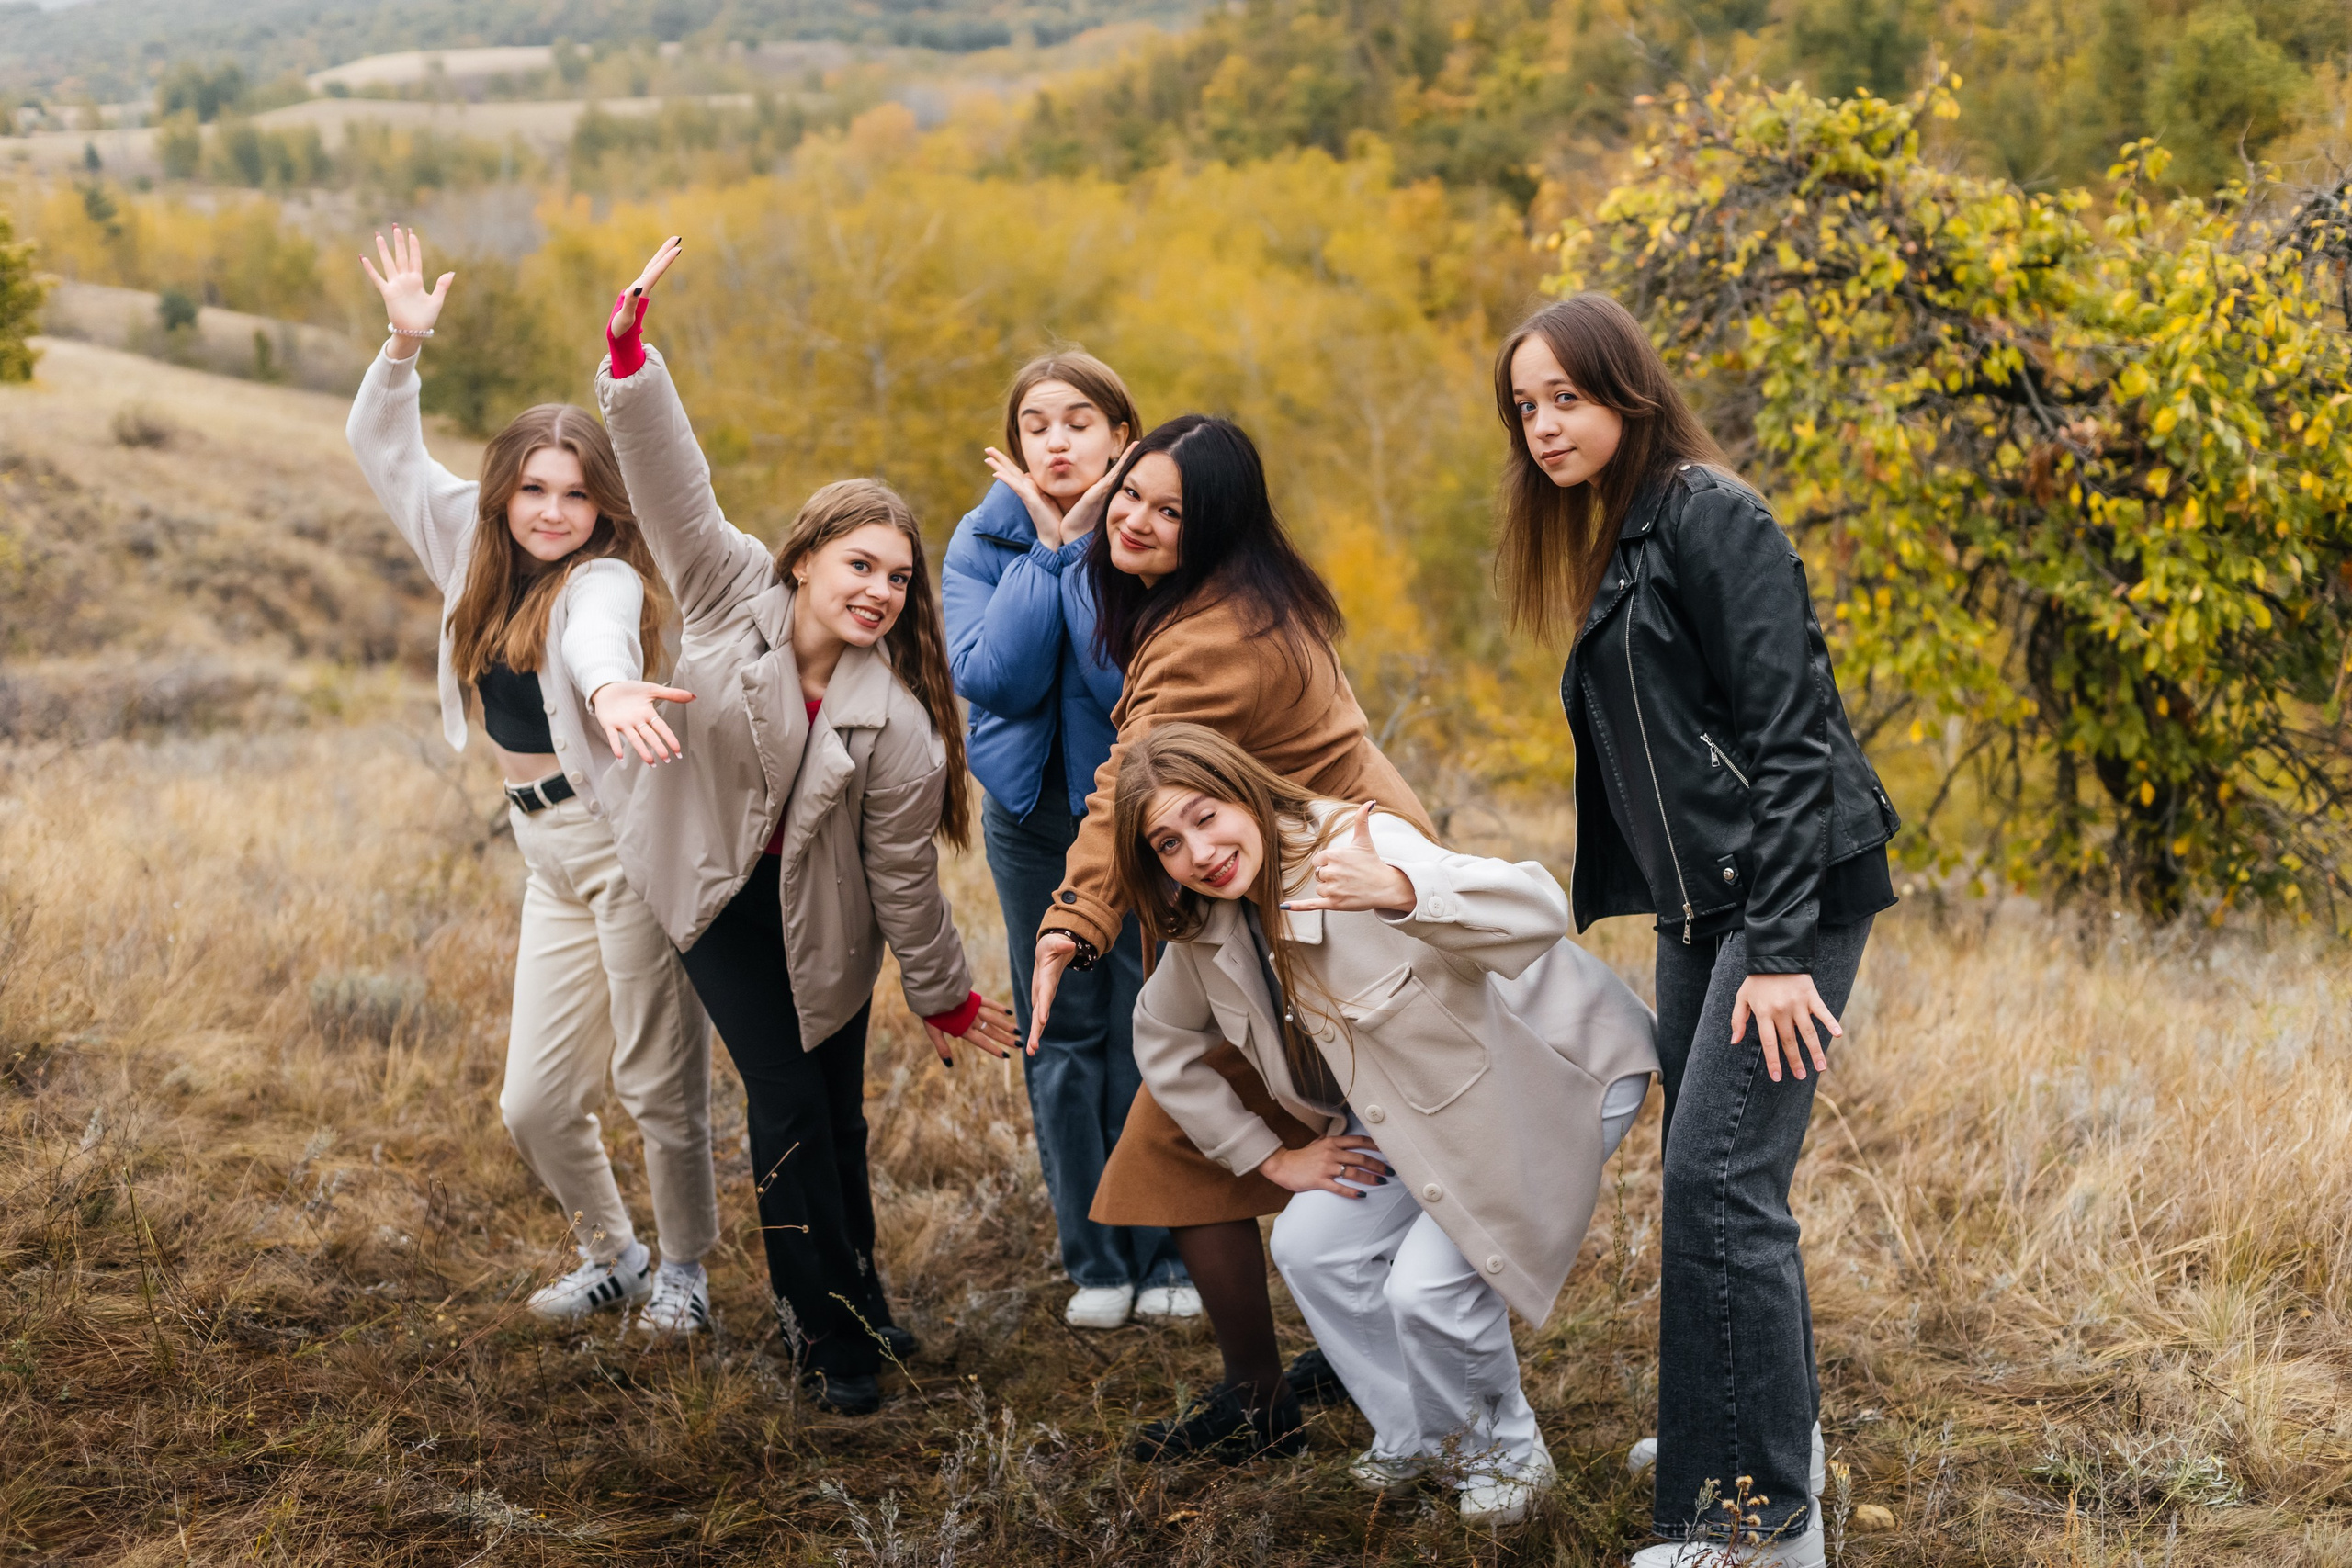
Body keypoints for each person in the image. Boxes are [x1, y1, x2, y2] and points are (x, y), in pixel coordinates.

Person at [1495, 294, 1900, 1567]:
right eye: (1524, 407)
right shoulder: (1626, 531)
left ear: (1628, 391)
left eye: (1565, 397)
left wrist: (1776, 950)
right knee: (1717, 1182)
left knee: (1719, 1184)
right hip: (1706, 903)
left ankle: (1757, 1524)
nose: (1542, 426)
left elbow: (1794, 737)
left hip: (1786, 892)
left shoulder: (1710, 515)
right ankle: (1755, 1431)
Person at [594, 237, 1021, 1416]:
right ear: (803, 560)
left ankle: (863, 1295)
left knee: (836, 1111)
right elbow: (673, 483)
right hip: (717, 895)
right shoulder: (728, 590)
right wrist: (630, 364)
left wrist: (943, 994)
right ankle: (823, 1332)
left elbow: (902, 881)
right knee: (784, 1100)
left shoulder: (900, 723)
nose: (878, 590)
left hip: (825, 916)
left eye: (897, 577)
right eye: (859, 564)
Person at [1107, 723, 1657, 1526]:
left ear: (1245, 792)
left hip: (1550, 1072)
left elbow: (1538, 907)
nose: (1199, 851)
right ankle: (1422, 1433)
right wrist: (1270, 1156)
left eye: (1206, 815)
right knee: (1312, 1246)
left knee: (1428, 1287)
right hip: (1414, 1106)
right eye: (1169, 842)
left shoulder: (1356, 845)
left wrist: (1402, 889)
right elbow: (1161, 1038)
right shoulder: (1211, 923)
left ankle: (1506, 1464)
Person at [1023, 413, 1434, 1462]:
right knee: (1293, 1122)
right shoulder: (1239, 594)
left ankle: (1267, 1398)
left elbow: (1132, 785)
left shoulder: (1212, 638)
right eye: (1131, 493)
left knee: (1181, 1132)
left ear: (1213, 526)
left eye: (1170, 511)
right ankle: (1329, 1358)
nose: (1136, 520)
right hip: (1322, 889)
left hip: (1338, 908)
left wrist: (1076, 915)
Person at [348, 225, 718, 1337]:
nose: (553, 511)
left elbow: (600, 640)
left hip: (624, 848)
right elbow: (383, 449)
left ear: (605, 508)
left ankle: (685, 1274)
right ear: (505, 490)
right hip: (543, 853)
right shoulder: (466, 542)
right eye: (534, 489)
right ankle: (614, 1257)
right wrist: (403, 348)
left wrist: (610, 692)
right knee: (535, 1102)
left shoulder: (602, 578)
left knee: (655, 1081)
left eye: (577, 494)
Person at [943, 352, 1200, 1331]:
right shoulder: (981, 537)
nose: (1056, 441)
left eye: (1079, 421)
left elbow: (1117, 683)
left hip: (1140, 818)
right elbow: (993, 679)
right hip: (1027, 819)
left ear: (1121, 437)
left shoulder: (1149, 533)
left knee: (1150, 1022)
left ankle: (1167, 1248)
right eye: (1036, 424)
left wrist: (1083, 544)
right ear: (1014, 442)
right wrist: (1048, 553)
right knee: (1060, 1032)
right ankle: (1094, 1256)